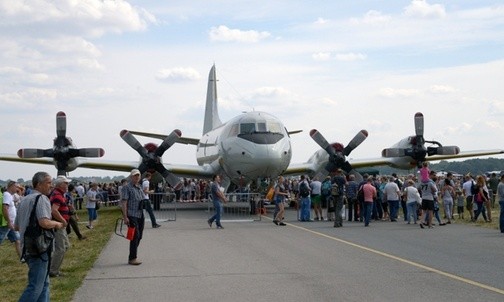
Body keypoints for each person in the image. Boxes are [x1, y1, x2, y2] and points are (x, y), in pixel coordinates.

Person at [15, 171, 65, 302]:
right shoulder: (41, 199)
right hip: (39, 248)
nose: (52, 185)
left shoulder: (24, 199)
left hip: (27, 247)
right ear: (39, 184)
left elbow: (16, 226)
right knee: (35, 286)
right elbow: (44, 222)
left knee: (44, 284)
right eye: (49, 182)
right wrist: (58, 224)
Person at [121, 169, 146, 265]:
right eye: (135, 176)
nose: (137, 177)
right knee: (135, 236)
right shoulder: (126, 188)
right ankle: (132, 258)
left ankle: (133, 252)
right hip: (131, 214)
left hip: (140, 214)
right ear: (131, 177)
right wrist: (125, 216)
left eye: (138, 176)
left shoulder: (139, 187)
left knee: (139, 236)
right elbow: (124, 202)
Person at [49, 176, 72, 277]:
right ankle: (53, 271)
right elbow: (54, 210)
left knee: (65, 246)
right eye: (65, 183)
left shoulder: (59, 194)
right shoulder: (58, 195)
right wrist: (63, 220)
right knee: (61, 248)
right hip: (59, 225)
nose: (67, 185)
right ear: (60, 184)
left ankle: (52, 266)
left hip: (60, 224)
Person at [1, 181, 22, 258]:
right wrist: (9, 221)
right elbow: (5, 208)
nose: (17, 189)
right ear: (11, 186)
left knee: (17, 239)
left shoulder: (10, 195)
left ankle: (21, 257)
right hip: (8, 223)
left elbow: (19, 197)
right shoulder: (7, 195)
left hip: (11, 223)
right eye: (16, 187)